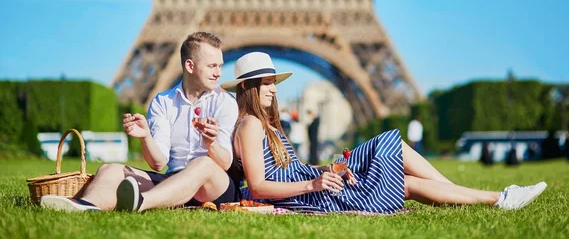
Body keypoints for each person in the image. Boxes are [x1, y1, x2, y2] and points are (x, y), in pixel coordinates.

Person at [222, 52, 548, 214]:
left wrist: (327, 170)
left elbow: (284, 171)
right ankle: (498, 199)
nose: (273, 90)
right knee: (404, 181)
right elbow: (259, 186)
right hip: (309, 196)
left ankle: (473, 196)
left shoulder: (265, 124)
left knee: (393, 142)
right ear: (248, 87)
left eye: (273, 84)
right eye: (267, 84)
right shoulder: (250, 125)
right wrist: (315, 182)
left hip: (315, 184)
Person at [40, 32, 239, 212]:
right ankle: (86, 205)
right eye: (212, 66)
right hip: (173, 180)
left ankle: (141, 202)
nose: (219, 73)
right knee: (110, 169)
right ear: (190, 65)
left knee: (202, 164)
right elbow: (158, 163)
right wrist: (146, 137)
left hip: (214, 186)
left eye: (220, 66)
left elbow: (225, 162)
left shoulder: (225, 102)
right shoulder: (163, 102)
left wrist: (211, 144)